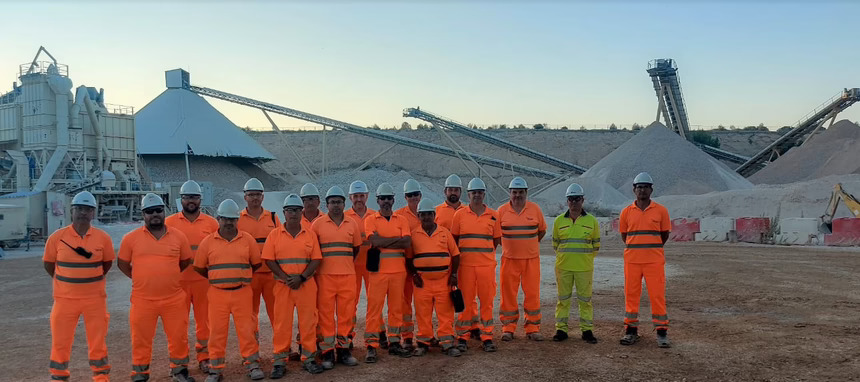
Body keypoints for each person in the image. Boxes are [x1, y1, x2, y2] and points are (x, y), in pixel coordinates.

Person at [118, 193, 194, 382]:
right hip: (143, 300)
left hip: (173, 299)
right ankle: (140, 374)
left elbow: (185, 261)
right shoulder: (130, 239)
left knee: (178, 338)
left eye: (158, 210)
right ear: (143, 214)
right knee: (141, 339)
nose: (155, 215)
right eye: (149, 211)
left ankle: (179, 371)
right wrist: (141, 278)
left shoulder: (178, 236)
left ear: (164, 211)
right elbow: (123, 264)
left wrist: (168, 275)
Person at [43, 191, 114, 381]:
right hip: (65, 300)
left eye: (88, 209)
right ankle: (59, 375)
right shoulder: (57, 237)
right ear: (72, 211)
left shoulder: (103, 238)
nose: (83, 213)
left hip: (95, 300)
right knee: (60, 341)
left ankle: (101, 377)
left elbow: (106, 264)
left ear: (93, 213)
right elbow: (49, 264)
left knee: (98, 341)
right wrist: (68, 282)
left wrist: (88, 279)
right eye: (79, 209)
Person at [194, 199, 264, 381]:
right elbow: (200, 267)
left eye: (232, 219)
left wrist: (240, 276)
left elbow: (256, 264)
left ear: (237, 220)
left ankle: (252, 364)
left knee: (246, 330)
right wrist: (218, 278)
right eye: (225, 219)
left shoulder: (247, 240)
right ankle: (215, 369)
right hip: (217, 294)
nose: (228, 222)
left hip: (242, 292)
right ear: (218, 219)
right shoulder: (208, 242)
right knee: (217, 332)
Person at [263, 194, 325, 376]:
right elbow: (269, 260)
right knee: (282, 324)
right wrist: (285, 278)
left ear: (302, 212)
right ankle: (280, 362)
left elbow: (316, 260)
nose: (294, 214)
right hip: (283, 287)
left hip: (305, 285)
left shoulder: (310, 234)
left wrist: (302, 278)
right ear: (284, 213)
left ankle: (309, 358)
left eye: (297, 210)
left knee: (308, 322)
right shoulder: (274, 235)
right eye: (290, 210)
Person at [165, 180, 219, 373]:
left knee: (205, 324)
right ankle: (178, 363)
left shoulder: (211, 223)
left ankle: (205, 357)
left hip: (203, 282)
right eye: (187, 197)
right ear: (181, 199)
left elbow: (217, 250)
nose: (191, 200)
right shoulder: (169, 223)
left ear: (200, 199)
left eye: (194, 197)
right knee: (177, 325)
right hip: (178, 284)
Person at [311, 186, 363, 369]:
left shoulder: (352, 224)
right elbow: (313, 250)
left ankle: (344, 350)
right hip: (325, 277)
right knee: (325, 316)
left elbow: (356, 249)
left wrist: (344, 263)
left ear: (344, 203)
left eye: (339, 202)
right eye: (332, 202)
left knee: (346, 315)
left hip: (347, 276)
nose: (336, 205)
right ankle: (327, 353)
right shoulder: (317, 225)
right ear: (326, 204)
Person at [618, 172, 672, 348]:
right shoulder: (626, 212)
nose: (642, 190)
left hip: (654, 262)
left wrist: (651, 249)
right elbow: (625, 236)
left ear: (651, 189)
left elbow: (664, 235)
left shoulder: (661, 211)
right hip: (632, 261)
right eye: (639, 187)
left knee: (657, 296)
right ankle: (631, 331)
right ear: (634, 189)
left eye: (645, 187)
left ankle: (662, 332)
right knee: (631, 296)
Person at [363, 183, 413, 362]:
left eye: (388, 198)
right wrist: (395, 241)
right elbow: (374, 241)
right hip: (378, 273)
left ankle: (394, 342)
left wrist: (384, 242)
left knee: (396, 309)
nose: (386, 201)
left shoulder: (402, 220)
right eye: (382, 198)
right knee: (374, 309)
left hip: (398, 272)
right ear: (377, 200)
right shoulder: (370, 219)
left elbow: (406, 243)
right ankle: (371, 345)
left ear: (393, 200)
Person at [450, 178, 501, 353]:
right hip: (466, 267)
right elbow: (454, 240)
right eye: (474, 192)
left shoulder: (494, 215)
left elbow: (495, 240)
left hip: (486, 266)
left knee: (486, 301)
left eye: (480, 192)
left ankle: (486, 336)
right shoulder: (459, 215)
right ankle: (463, 336)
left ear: (483, 194)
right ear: (469, 194)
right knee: (465, 301)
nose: (477, 195)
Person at [407, 199, 461, 357]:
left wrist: (454, 274)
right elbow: (409, 259)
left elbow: (456, 255)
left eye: (429, 214)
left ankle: (447, 343)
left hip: (443, 282)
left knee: (445, 313)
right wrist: (414, 275)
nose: (426, 217)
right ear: (418, 216)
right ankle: (424, 342)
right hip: (422, 283)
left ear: (434, 215)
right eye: (423, 215)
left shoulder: (445, 233)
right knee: (423, 313)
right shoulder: (414, 235)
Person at [497, 177, 547, 342]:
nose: (517, 195)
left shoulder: (535, 210)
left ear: (526, 193)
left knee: (532, 294)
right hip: (509, 259)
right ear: (510, 193)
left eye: (520, 192)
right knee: (508, 295)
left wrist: (529, 244)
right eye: (514, 192)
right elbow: (495, 234)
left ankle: (532, 328)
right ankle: (508, 328)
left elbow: (542, 231)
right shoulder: (501, 211)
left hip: (531, 260)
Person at [551, 184, 600, 344]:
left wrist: (584, 259)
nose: (574, 202)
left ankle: (586, 331)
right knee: (563, 299)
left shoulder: (592, 221)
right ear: (567, 201)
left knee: (585, 300)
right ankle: (561, 329)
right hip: (563, 267)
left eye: (577, 199)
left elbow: (596, 245)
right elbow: (555, 244)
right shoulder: (559, 221)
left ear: (582, 200)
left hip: (584, 268)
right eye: (571, 199)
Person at [238, 178, 280, 346]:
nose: (254, 198)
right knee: (249, 314)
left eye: (257, 194)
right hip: (250, 276)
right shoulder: (238, 219)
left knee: (276, 313)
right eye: (251, 194)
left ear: (263, 197)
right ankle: (251, 349)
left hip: (271, 275)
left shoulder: (272, 217)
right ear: (245, 197)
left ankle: (282, 346)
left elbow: (280, 243)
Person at [344, 180, 378, 349]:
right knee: (351, 301)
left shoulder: (374, 216)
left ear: (367, 196)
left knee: (375, 300)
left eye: (361, 196)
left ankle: (379, 332)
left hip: (370, 265)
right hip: (352, 266)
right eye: (355, 196)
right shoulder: (344, 217)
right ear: (350, 197)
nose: (358, 199)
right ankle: (348, 335)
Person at [394, 178, 422, 350]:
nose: (413, 197)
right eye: (410, 195)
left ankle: (426, 334)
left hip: (424, 266)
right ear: (405, 197)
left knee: (423, 302)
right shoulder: (399, 216)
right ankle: (407, 336)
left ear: (420, 195)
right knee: (404, 302)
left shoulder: (428, 212)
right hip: (404, 266)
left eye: (415, 194)